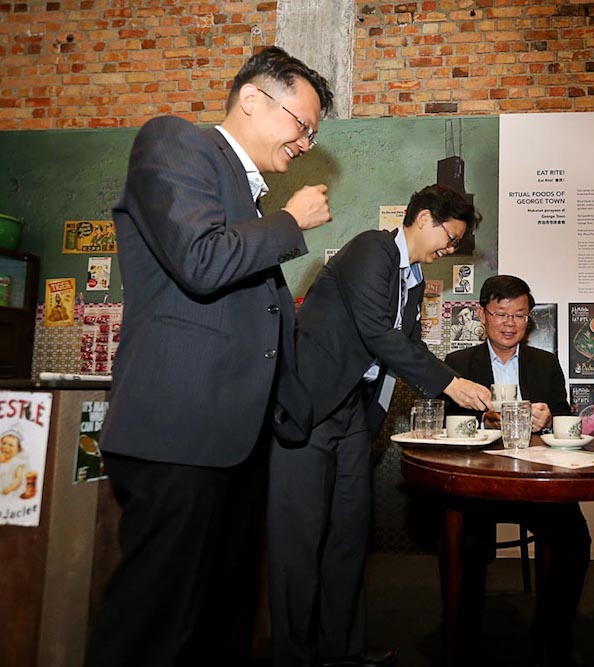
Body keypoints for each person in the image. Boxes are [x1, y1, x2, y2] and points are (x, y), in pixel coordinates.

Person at [87, 46, 335, 667]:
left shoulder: (246, 200)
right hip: (179, 436)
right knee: (155, 627)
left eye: (312, 132)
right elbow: (200, 261)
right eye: (301, 124)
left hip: (234, 441)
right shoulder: (175, 143)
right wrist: (290, 221)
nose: (305, 142)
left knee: (220, 624)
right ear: (253, 99)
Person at [269, 184, 495, 667]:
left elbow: (397, 357)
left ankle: (342, 650)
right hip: (310, 409)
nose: (448, 251)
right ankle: (293, 655)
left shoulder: (412, 281)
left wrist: (377, 415)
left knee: (349, 534)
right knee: (300, 541)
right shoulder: (372, 248)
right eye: (449, 239)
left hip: (353, 413)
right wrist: (451, 383)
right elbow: (377, 332)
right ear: (426, 218)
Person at [443, 275, 590, 666]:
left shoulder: (545, 363)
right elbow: (446, 427)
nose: (509, 323)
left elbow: (563, 415)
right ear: (482, 314)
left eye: (519, 315)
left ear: (529, 319)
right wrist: (483, 422)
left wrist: (547, 417)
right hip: (480, 483)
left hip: (536, 481)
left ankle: (553, 632)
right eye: (500, 314)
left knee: (573, 537)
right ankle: (465, 633)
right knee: (466, 540)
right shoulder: (459, 365)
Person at [0, 430, 28, 496]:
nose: (6, 447)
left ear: (18, 449)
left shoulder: (17, 463)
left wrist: (10, 488)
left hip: (9, 490)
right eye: (4, 443)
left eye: (11, 445)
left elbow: (18, 478)